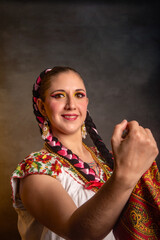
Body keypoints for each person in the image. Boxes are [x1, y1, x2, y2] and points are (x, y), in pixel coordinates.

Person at [11, 66, 160, 240]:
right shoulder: (36, 169)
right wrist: (126, 176)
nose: (71, 105)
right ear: (42, 107)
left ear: (86, 103)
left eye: (78, 95)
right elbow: (78, 234)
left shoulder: (111, 160)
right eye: (59, 95)